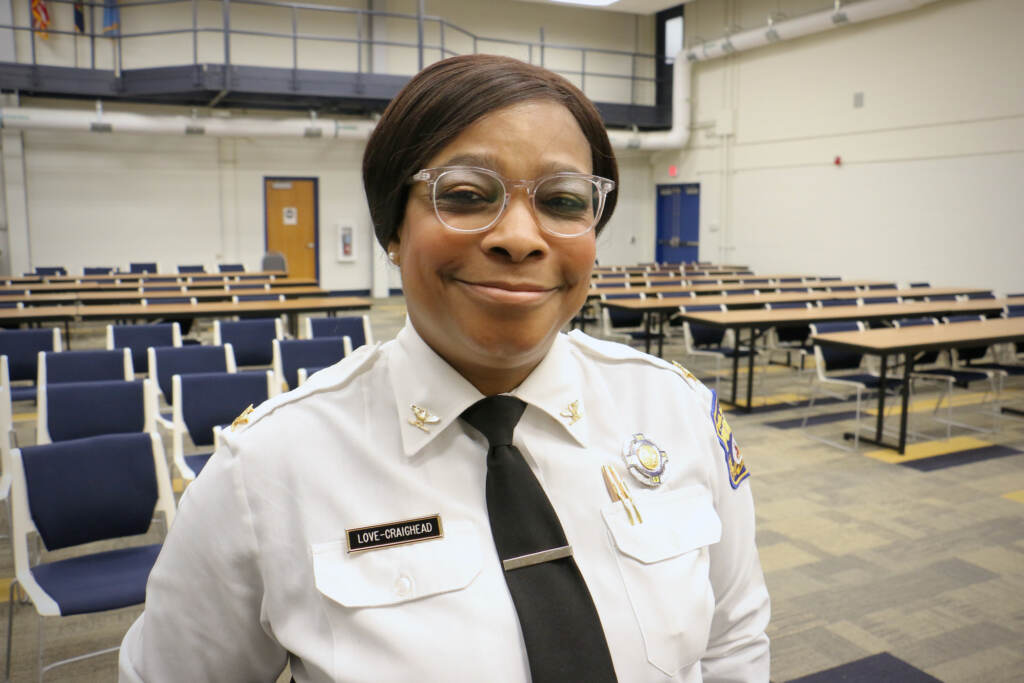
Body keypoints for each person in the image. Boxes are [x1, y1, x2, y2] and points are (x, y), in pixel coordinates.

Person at [120, 54, 769, 682]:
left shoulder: (676, 412)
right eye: (464, 193)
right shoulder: (266, 470)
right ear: (392, 228)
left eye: (565, 200)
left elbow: (733, 633)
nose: (520, 235)